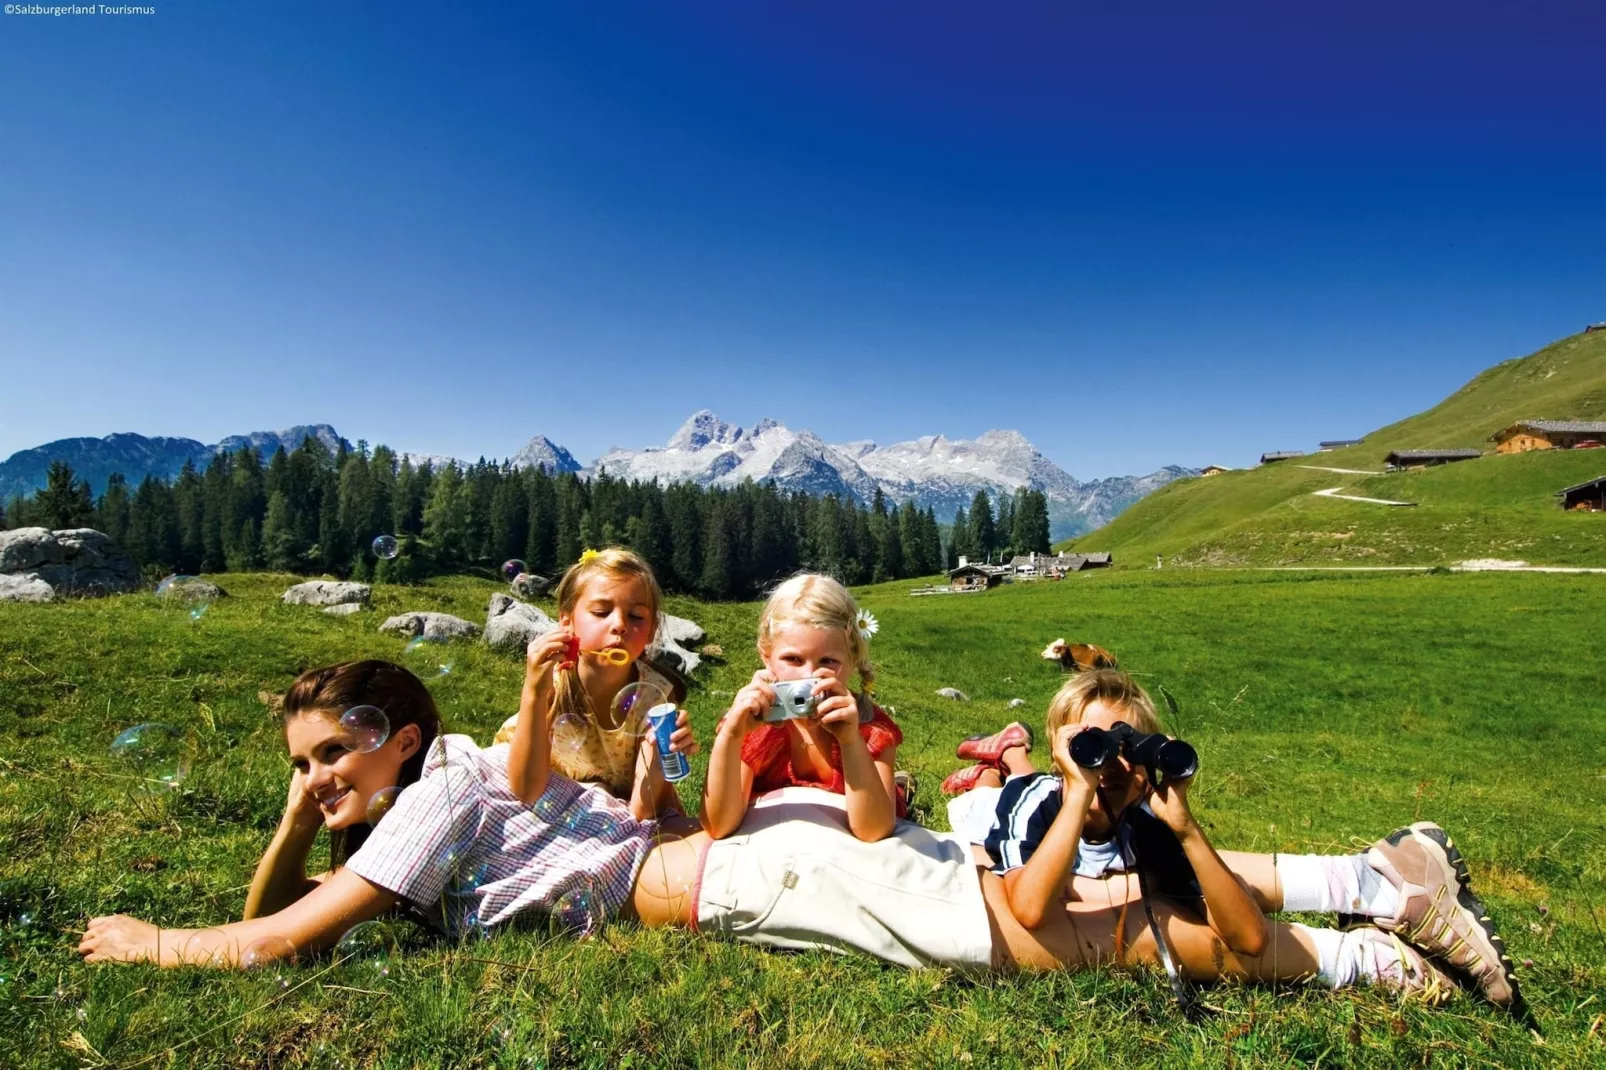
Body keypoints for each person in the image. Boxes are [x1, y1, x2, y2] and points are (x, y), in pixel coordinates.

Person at [77, 660, 1520, 1017]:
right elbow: (294, 879)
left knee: (1012, 932)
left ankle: (1358, 936)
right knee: (1027, 912)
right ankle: (1367, 899)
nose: (322, 778)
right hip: (738, 886)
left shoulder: (446, 788)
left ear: (402, 735)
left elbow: (275, 934)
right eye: (305, 763)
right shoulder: (415, 796)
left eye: (336, 754)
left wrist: (154, 940)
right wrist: (299, 803)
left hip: (754, 874)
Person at [944, 671, 1525, 1010]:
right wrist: (1075, 791)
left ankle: (1382, 896)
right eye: (1092, 742)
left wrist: (1185, 827)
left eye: (1126, 744)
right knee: (1000, 783)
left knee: (1148, 886)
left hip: (1093, 837)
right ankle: (999, 757)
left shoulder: (1147, 822)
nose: (1112, 763)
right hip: (984, 817)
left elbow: (1246, 937)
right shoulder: (1035, 806)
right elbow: (1029, 909)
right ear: (1063, 750)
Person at [700, 573, 905, 842]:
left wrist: (851, 742)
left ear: (853, 659)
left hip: (848, 847)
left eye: (828, 661)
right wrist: (730, 736)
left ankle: (899, 787)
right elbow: (718, 826)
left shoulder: (869, 729)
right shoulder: (757, 726)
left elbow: (874, 831)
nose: (809, 675)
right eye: (793, 659)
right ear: (767, 656)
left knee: (890, 797)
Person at [494, 547, 696, 820]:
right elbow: (526, 791)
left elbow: (641, 813)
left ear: (651, 631)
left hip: (619, 813)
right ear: (568, 623)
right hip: (546, 802)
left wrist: (662, 761)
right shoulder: (551, 685)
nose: (620, 625)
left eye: (636, 616)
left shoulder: (655, 697)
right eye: (601, 612)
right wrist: (533, 692)